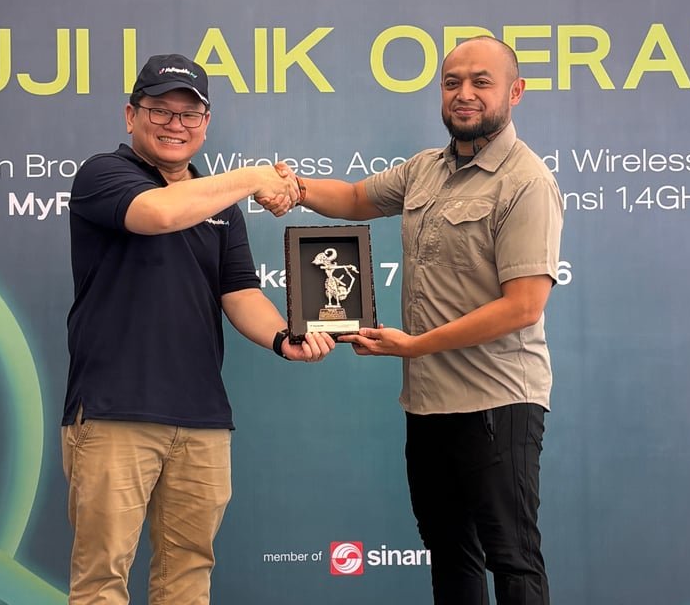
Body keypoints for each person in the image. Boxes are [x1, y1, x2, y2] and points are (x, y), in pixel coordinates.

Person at [266, 37, 563, 604]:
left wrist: (416, 345)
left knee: (513, 559)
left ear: (515, 92)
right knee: (450, 554)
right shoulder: (425, 170)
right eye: (452, 83)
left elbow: (524, 305)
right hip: (428, 405)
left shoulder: (526, 181)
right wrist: (296, 189)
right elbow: (356, 198)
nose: (464, 93)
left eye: (481, 81)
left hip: (497, 402)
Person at [61, 53, 335, 605]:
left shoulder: (220, 204)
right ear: (131, 116)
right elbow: (159, 213)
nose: (175, 124)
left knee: (188, 573)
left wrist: (283, 337)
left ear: (206, 123)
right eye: (160, 110)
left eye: (189, 114)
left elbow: (239, 291)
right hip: (115, 411)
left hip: (202, 418)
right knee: (102, 579)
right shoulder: (102, 175)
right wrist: (253, 177)